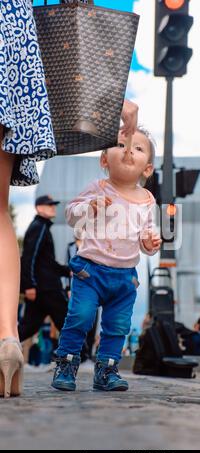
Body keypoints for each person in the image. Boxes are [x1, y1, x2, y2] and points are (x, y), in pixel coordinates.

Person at [0, 1, 138, 397]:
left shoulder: (137, 201)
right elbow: (36, 251)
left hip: (91, 279)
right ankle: (8, 341)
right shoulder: (45, 223)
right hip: (7, 36)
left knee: (96, 321)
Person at [51, 127, 162, 392]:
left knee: (118, 326)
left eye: (137, 148)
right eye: (121, 144)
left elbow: (146, 237)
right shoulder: (98, 188)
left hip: (124, 276)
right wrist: (87, 209)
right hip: (90, 271)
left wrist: (150, 243)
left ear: (147, 169)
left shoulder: (147, 200)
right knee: (80, 316)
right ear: (104, 160)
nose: (128, 151)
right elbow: (70, 215)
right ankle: (66, 364)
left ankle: (107, 370)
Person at [18, 195, 70, 342]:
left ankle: (4, 348)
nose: (53, 207)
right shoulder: (39, 227)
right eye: (49, 205)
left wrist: (68, 271)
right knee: (67, 321)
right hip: (46, 289)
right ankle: (82, 356)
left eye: (54, 205)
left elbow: (47, 263)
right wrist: (29, 285)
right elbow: (29, 257)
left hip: (43, 288)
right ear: (39, 208)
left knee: (28, 327)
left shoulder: (42, 227)